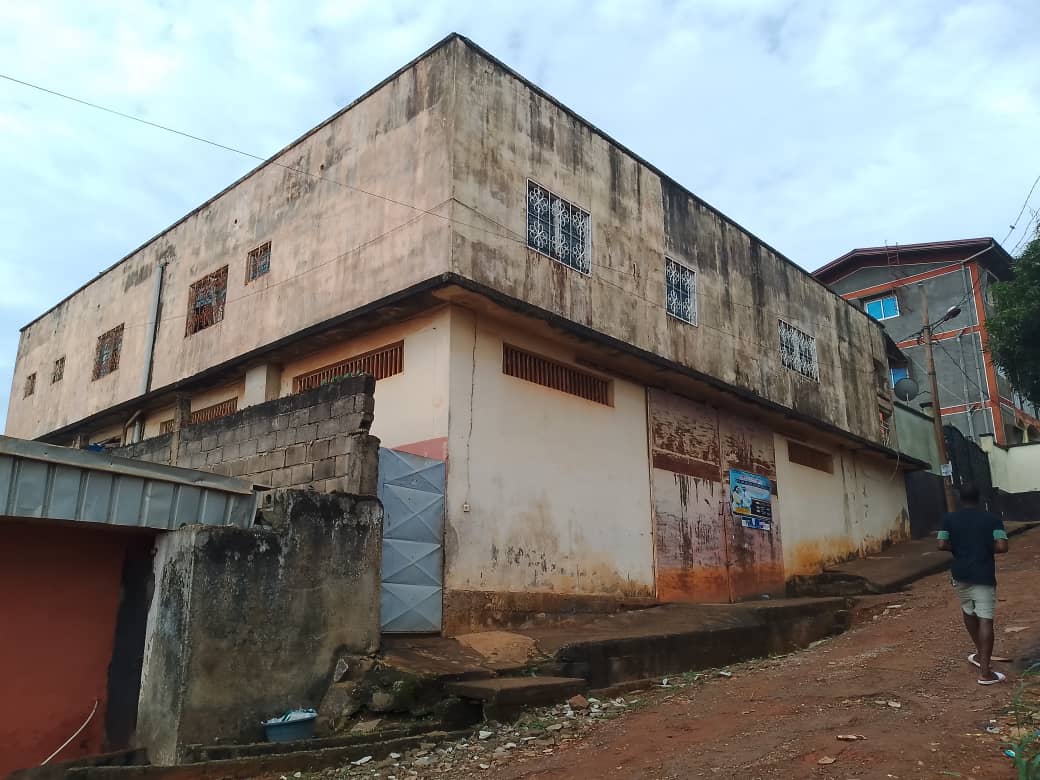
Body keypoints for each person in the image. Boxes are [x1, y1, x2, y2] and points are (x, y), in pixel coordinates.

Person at [937, 482, 1009, 685]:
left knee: (968, 612)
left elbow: (941, 544)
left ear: (960, 498)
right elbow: (1002, 546)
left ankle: (979, 654)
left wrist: (960, 548)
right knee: (985, 619)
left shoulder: (949, 519)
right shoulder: (993, 519)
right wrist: (983, 547)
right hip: (983, 574)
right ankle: (985, 673)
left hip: (960, 574)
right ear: (979, 498)